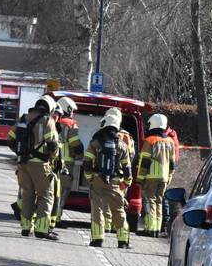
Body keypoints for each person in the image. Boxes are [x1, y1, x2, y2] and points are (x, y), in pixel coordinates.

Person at [8, 96, 60, 240]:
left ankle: (25, 228)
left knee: (27, 195)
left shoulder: (23, 118)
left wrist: (19, 153)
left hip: (23, 163)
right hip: (40, 165)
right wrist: (52, 158)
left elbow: (10, 137)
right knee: (45, 195)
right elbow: (52, 144)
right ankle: (42, 229)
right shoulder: (47, 121)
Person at [84, 113, 133, 248]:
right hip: (116, 183)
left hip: (98, 180)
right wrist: (126, 183)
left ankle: (97, 239)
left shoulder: (95, 142)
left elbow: (87, 162)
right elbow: (127, 168)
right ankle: (123, 241)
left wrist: (90, 178)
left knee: (97, 210)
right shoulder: (122, 145)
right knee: (118, 210)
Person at [136, 113, 177, 237]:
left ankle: (150, 228)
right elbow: (172, 163)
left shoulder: (150, 141)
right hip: (164, 177)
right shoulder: (170, 141)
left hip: (150, 176)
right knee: (159, 201)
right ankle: (157, 229)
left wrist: (139, 178)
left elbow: (145, 161)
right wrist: (169, 177)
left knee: (149, 201)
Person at [51, 96, 84, 228]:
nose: (73, 113)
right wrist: (82, 154)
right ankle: (56, 218)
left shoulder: (52, 120)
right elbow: (75, 143)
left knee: (49, 191)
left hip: (50, 161)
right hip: (66, 164)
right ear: (67, 108)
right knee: (62, 191)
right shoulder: (70, 124)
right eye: (72, 110)